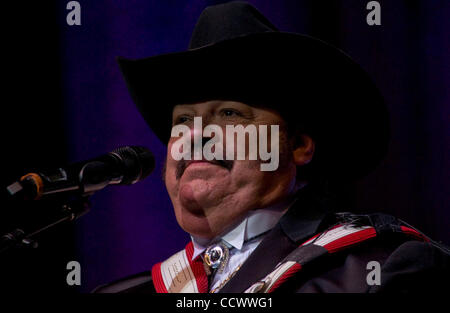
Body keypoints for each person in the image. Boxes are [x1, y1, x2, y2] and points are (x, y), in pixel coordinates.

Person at [94, 1, 449, 293]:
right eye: (183, 120)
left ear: (297, 146)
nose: (196, 135)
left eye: (230, 113)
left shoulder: (376, 270)